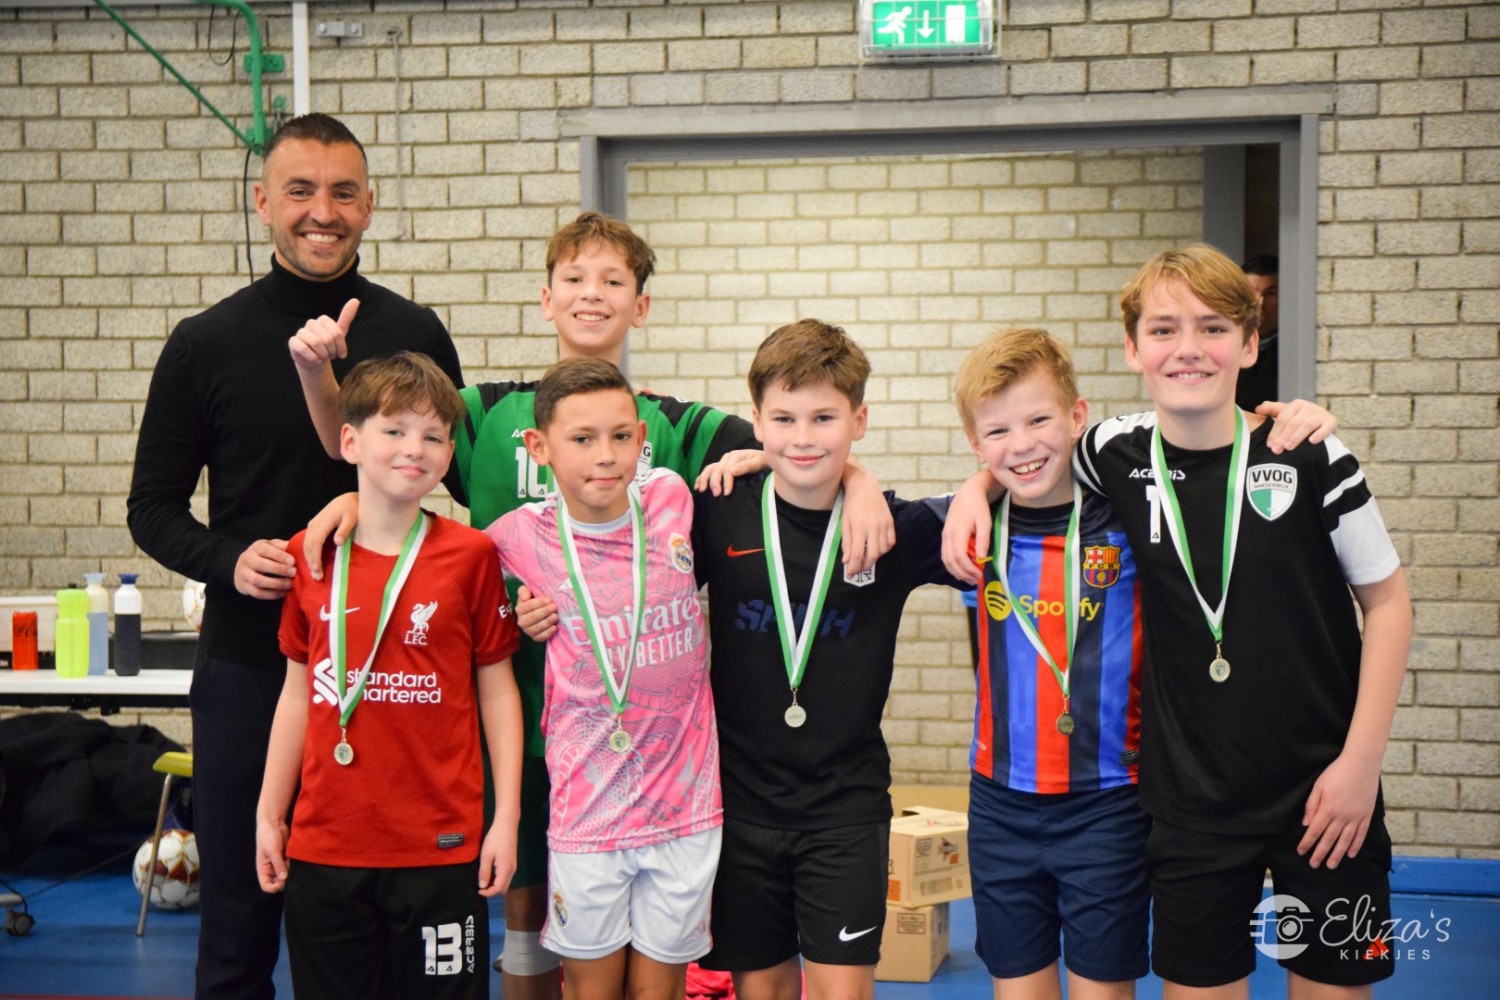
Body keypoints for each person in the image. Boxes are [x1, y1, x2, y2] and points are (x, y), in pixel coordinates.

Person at [292, 211, 895, 1000]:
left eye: (613, 280)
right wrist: (351, 498)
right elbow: (387, 447)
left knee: (625, 950)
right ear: (545, 298)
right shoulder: (490, 410)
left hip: (657, 757)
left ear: (640, 306)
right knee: (527, 918)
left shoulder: (677, 433)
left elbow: (794, 450)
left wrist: (860, 481)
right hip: (522, 720)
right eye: (574, 278)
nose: (592, 294)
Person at [126, 112, 463, 1000]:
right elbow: (151, 507)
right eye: (301, 191)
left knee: (374, 929)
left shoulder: (414, 330)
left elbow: (461, 476)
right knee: (239, 921)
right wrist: (227, 560)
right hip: (252, 665)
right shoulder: (205, 342)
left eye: (343, 193)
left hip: (396, 677)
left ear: (370, 205)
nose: (323, 211)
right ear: (263, 201)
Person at [1068, 245, 1409, 998]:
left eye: (1214, 327)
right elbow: (1016, 458)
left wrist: (1360, 768)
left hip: (1326, 794)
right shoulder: (1110, 452)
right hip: (1192, 799)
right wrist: (885, 484)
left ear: (1250, 346)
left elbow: (1389, 605)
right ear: (1132, 350)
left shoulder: (1310, 454)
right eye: (1163, 330)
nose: (1188, 348)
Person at [688, 321, 963, 1000]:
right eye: (783, 419)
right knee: (761, 990)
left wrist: (879, 481)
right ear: (756, 422)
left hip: (845, 809)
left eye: (824, 418)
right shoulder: (719, 509)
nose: (803, 437)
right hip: (739, 805)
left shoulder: (891, 529)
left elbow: (1006, 496)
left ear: (858, 421)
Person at [255, 352, 522, 999]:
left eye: (433, 436)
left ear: (449, 452)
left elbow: (497, 691)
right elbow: (296, 694)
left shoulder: (472, 556)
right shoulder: (310, 554)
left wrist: (506, 818)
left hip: (440, 846)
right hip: (327, 846)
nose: (414, 449)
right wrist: (269, 812)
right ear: (350, 441)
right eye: (395, 430)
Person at [485, 357, 723, 1000]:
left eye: (621, 436)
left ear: (642, 439)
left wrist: (857, 476)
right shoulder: (517, 536)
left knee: (660, 992)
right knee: (591, 992)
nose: (605, 455)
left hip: (685, 805)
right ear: (539, 448)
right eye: (582, 439)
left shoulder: (671, 496)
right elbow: (431, 550)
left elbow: (781, 462)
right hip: (588, 809)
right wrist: (350, 499)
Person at [953, 328, 1149, 1000]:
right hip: (999, 808)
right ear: (976, 445)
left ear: (1076, 416)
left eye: (1039, 420)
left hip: (1107, 804)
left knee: (1102, 989)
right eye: (997, 431)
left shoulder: (1131, 519)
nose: (1021, 444)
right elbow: (838, 502)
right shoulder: (968, 533)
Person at [1235, 254, 1279, 412]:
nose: (1260, 303)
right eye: (1251, 293)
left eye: (1271, 294)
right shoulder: (1227, 347)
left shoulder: (1290, 355)